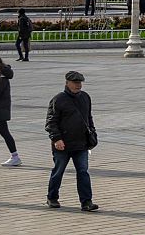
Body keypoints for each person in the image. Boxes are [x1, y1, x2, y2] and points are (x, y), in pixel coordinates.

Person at [45, 70, 98, 211]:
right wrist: (57, 139)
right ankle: (52, 197)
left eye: (80, 83)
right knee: (58, 171)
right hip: (63, 144)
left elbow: (89, 118)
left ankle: (86, 202)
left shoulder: (85, 97)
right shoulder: (58, 99)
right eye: (75, 83)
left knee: (83, 172)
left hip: (81, 144)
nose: (78, 85)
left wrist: (92, 132)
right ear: (67, 83)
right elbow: (51, 122)